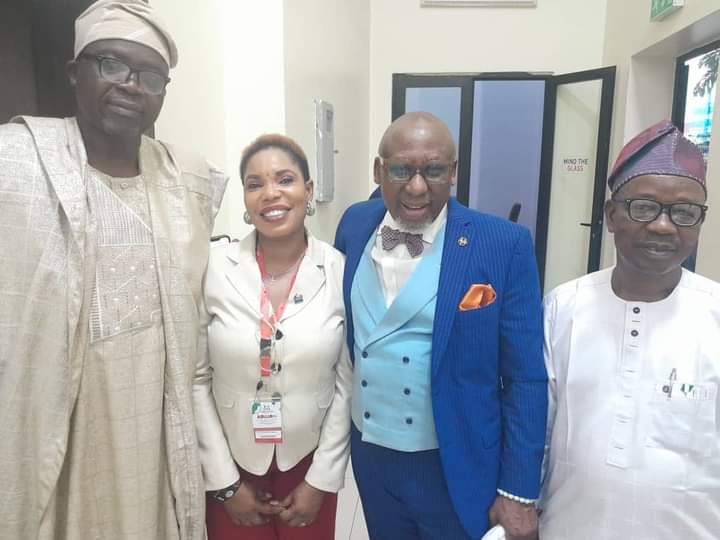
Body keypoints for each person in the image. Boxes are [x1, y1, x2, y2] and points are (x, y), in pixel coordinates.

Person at [0, 1, 227, 539]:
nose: (130, 85)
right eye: (111, 64)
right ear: (74, 72)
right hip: (58, 415)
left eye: (150, 76)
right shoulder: (15, 163)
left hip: (158, 419)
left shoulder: (189, 180)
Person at [334, 112, 547, 540]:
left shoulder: (503, 244)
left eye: (433, 170)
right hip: (372, 458)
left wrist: (519, 490)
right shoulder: (354, 225)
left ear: (453, 173)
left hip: (456, 460)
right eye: (401, 170)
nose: (417, 187)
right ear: (378, 171)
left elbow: (525, 377)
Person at [539, 120, 719, 539]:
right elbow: (538, 433)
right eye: (643, 206)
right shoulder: (563, 307)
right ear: (611, 215)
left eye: (684, 212)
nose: (663, 226)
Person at [194, 134, 352, 540]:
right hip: (232, 458)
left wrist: (321, 480)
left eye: (285, 179)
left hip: (308, 459)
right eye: (255, 184)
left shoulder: (339, 271)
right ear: (246, 201)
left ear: (308, 190)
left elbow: (347, 384)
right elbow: (195, 379)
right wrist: (224, 482)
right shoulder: (213, 268)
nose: (270, 193)